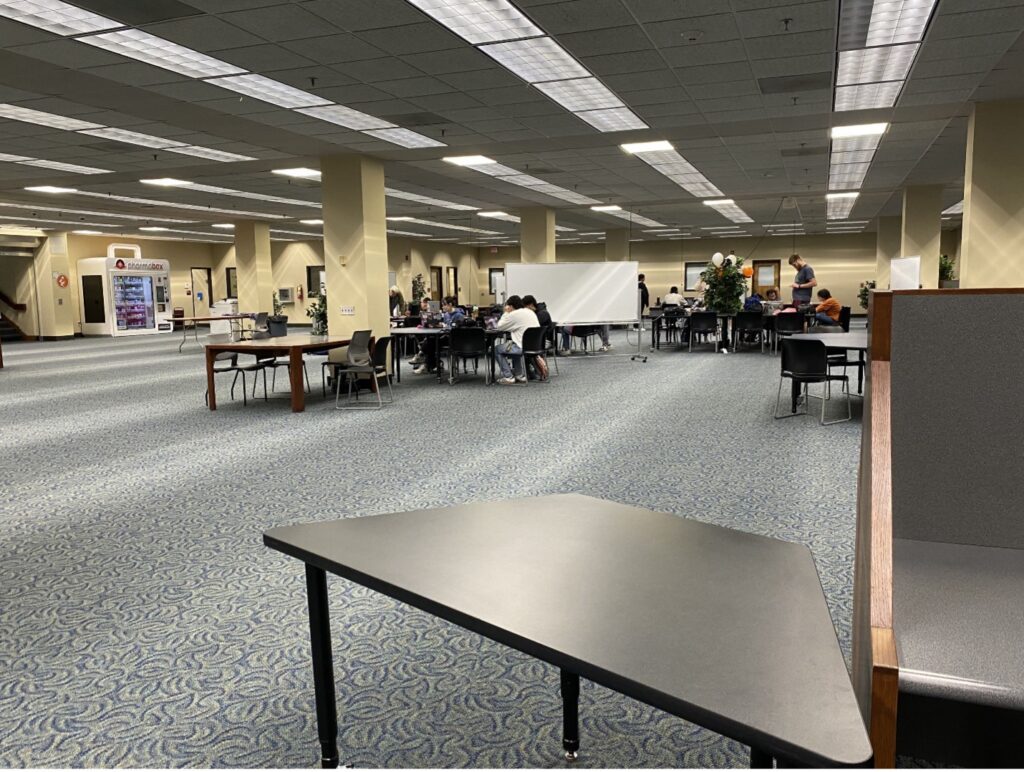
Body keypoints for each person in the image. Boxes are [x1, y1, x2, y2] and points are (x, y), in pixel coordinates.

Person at [494, 295, 538, 385]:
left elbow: (500, 326)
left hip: (522, 347)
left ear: (510, 306)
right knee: (513, 345)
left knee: (497, 349)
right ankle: (520, 375)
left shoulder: (514, 314)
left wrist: (506, 312)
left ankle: (508, 377)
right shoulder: (530, 312)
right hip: (535, 346)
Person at [413, 297, 463, 375]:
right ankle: (431, 364)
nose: (442, 307)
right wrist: (438, 325)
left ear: (450, 305)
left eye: (444, 305)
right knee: (430, 342)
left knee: (429, 343)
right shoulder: (446, 315)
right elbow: (444, 325)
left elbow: (456, 329)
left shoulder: (459, 315)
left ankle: (423, 358)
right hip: (444, 336)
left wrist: (445, 326)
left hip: (453, 339)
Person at [522, 295, 551, 380]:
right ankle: (528, 372)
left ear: (530, 305)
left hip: (544, 342)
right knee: (524, 346)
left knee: (523, 348)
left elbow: (533, 328)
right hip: (537, 340)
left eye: (525, 307)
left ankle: (533, 371)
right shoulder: (537, 313)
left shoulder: (542, 314)